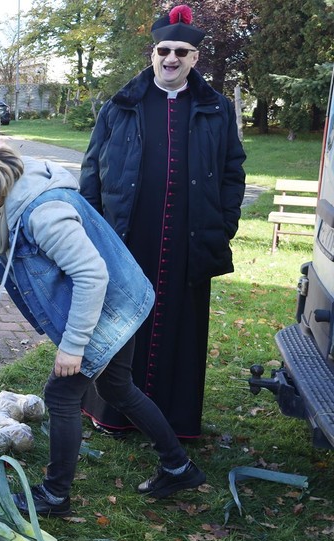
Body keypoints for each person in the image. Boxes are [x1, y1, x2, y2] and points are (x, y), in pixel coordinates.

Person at [0, 137, 206, 516]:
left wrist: (73, 345)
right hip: (108, 303)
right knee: (118, 388)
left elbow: (93, 276)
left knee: (61, 396)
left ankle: (54, 496)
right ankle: (178, 466)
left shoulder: (43, 213)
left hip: (111, 306)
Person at [79, 4, 246, 439]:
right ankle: (113, 414)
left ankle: (174, 417)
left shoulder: (216, 108)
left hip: (190, 238)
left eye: (181, 52)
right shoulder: (121, 104)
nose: (171, 59)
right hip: (129, 235)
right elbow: (92, 169)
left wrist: (224, 224)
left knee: (180, 325)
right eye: (163, 50)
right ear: (153, 53)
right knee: (121, 321)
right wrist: (94, 229)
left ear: (195, 58)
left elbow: (233, 171)